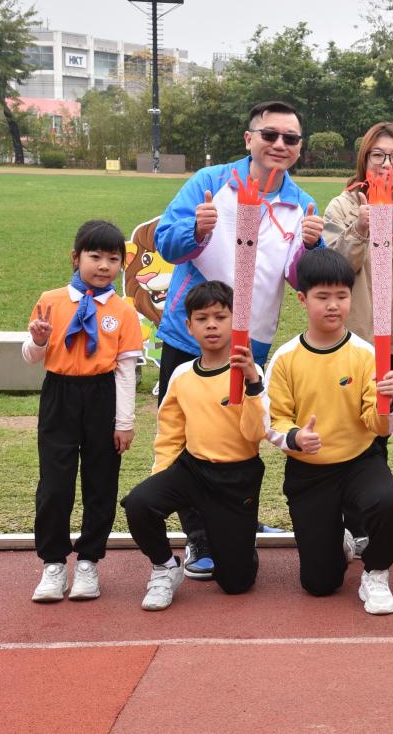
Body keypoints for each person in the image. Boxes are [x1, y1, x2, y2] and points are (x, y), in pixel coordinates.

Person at [154, 100, 324, 581]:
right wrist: (196, 229)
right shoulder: (210, 183)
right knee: (190, 437)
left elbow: (303, 279)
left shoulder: (301, 203)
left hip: (253, 342)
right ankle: (198, 535)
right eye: (270, 135)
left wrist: (313, 246)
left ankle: (236, 520)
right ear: (249, 139)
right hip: (191, 337)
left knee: (241, 437)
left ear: (299, 148)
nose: (280, 144)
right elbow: (165, 241)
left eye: (290, 138)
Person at [266, 249, 393, 614]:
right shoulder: (285, 359)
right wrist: (295, 437)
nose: (333, 305)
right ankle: (336, 540)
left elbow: (379, 427)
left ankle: (376, 572)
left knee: (389, 502)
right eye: (322, 296)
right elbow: (272, 420)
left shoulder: (366, 355)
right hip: (309, 469)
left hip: (359, 460)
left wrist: (388, 403)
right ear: (302, 299)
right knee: (320, 584)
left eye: (342, 296)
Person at [121, 281, 270, 611]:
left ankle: (239, 543)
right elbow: (170, 434)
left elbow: (255, 432)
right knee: (140, 503)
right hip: (192, 469)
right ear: (189, 326)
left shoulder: (250, 373)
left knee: (236, 583)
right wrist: (160, 480)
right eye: (202, 318)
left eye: (220, 317)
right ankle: (165, 567)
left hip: (237, 476)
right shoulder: (181, 375)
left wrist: (252, 384)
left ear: (236, 323)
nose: (211, 325)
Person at [324, 121, 393, 556]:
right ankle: (343, 520)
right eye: (378, 155)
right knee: (344, 430)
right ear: (364, 160)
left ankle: (367, 520)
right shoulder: (344, 206)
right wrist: (361, 229)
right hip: (349, 341)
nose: (387, 164)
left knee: (379, 430)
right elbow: (332, 270)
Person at [22, 220, 141, 602]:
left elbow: (126, 371)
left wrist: (124, 422)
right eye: (95, 256)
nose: (104, 266)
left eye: (113, 259)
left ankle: (89, 561)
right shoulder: (51, 300)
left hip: (102, 395)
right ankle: (53, 564)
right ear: (76, 258)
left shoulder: (123, 311)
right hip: (59, 394)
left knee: (101, 482)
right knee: (54, 484)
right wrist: (38, 341)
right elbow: (31, 357)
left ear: (122, 264)